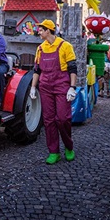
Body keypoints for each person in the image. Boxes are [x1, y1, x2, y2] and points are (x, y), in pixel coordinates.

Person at [30, 19, 78, 164]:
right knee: (49, 120)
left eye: (41, 30)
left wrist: (72, 87)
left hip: (62, 85)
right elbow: (37, 70)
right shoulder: (40, 48)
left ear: (48, 31)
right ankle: (54, 151)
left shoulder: (65, 46)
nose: (38, 32)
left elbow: (72, 68)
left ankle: (68, 147)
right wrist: (33, 87)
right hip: (45, 87)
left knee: (63, 119)